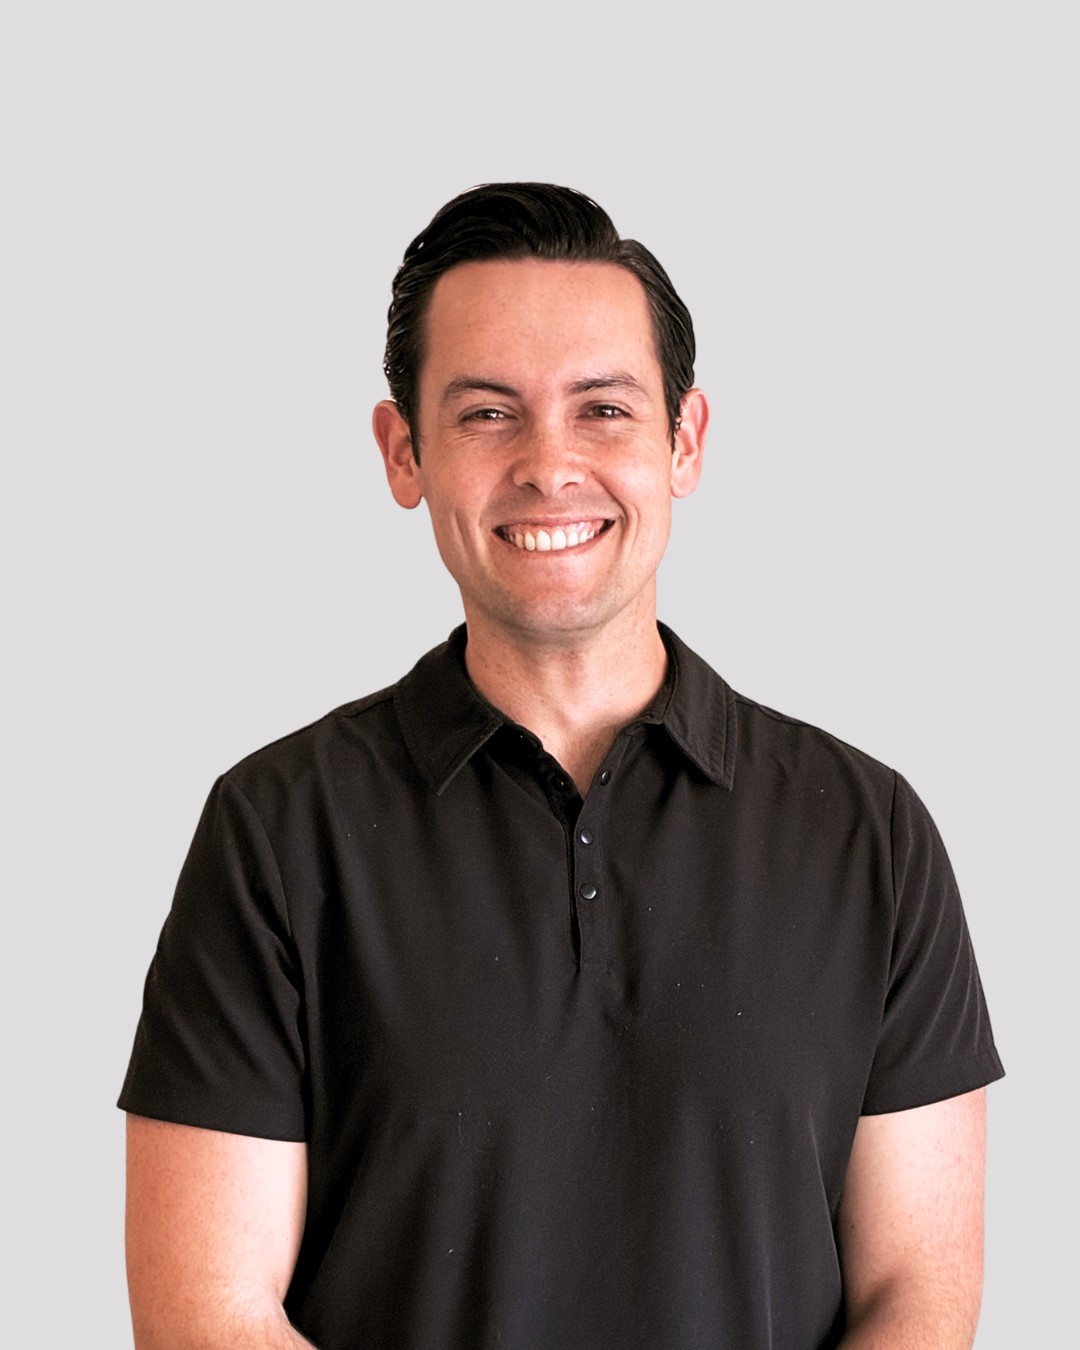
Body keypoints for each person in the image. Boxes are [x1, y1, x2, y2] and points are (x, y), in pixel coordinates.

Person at [120, 183, 1003, 1350]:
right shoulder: (278, 831)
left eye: (603, 410)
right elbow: (205, 1314)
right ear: (405, 453)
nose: (549, 464)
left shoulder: (868, 831)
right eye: (487, 413)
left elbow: (917, 1297)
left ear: (683, 442)